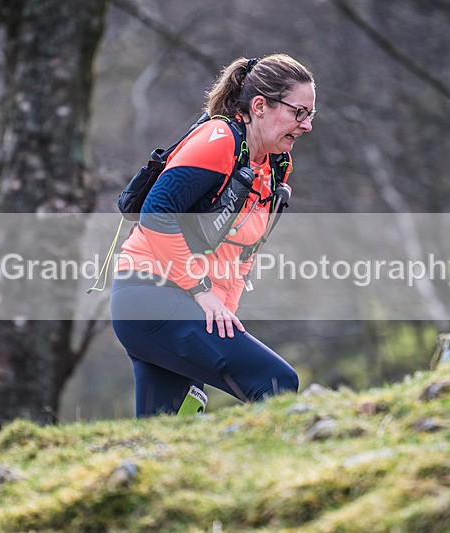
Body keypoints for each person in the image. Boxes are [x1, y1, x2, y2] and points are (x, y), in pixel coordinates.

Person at [110, 54, 316, 417]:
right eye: (298, 112)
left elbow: (243, 253)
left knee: (167, 428)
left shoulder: (275, 164)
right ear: (260, 106)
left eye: (311, 115)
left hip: (182, 301)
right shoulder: (218, 139)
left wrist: (222, 314)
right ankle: (279, 471)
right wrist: (203, 294)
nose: (307, 125)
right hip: (149, 294)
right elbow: (156, 214)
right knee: (275, 382)